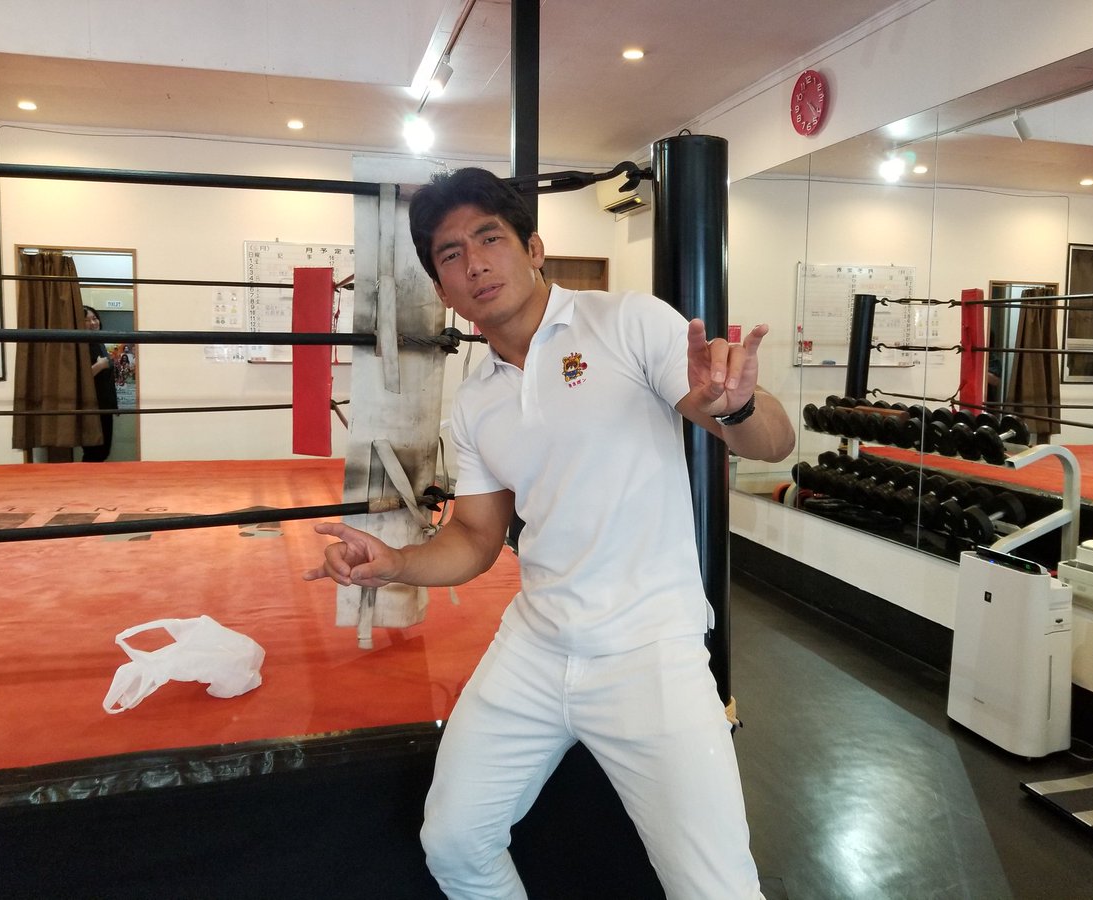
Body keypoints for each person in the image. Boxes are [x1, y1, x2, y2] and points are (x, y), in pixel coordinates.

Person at [304, 167, 795, 898]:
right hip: (535, 646)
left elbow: (773, 443)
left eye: (489, 239)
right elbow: (476, 537)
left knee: (717, 889)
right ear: (441, 290)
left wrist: (738, 406)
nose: (474, 263)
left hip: (648, 652)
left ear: (533, 249)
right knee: (455, 841)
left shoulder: (629, 323)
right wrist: (397, 563)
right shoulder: (475, 401)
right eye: (450, 255)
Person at [81, 305, 118, 462]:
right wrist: (100, 365)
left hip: (104, 406)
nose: (93, 323)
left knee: (103, 451)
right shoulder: (81, 345)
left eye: (95, 318)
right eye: (87, 320)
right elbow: (78, 378)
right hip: (92, 406)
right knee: (94, 452)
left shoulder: (98, 342)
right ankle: (84, 477)